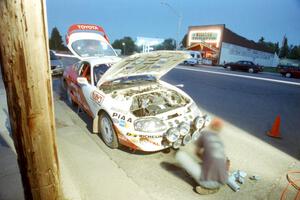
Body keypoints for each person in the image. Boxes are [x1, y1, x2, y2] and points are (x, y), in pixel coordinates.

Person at [175, 118, 229, 195]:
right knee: (211, 163)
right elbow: (225, 161)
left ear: (211, 126)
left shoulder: (205, 134)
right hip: (222, 179)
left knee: (180, 155)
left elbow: (197, 152)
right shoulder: (220, 142)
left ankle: (208, 188)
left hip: (207, 182)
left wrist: (205, 159)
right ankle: (215, 185)